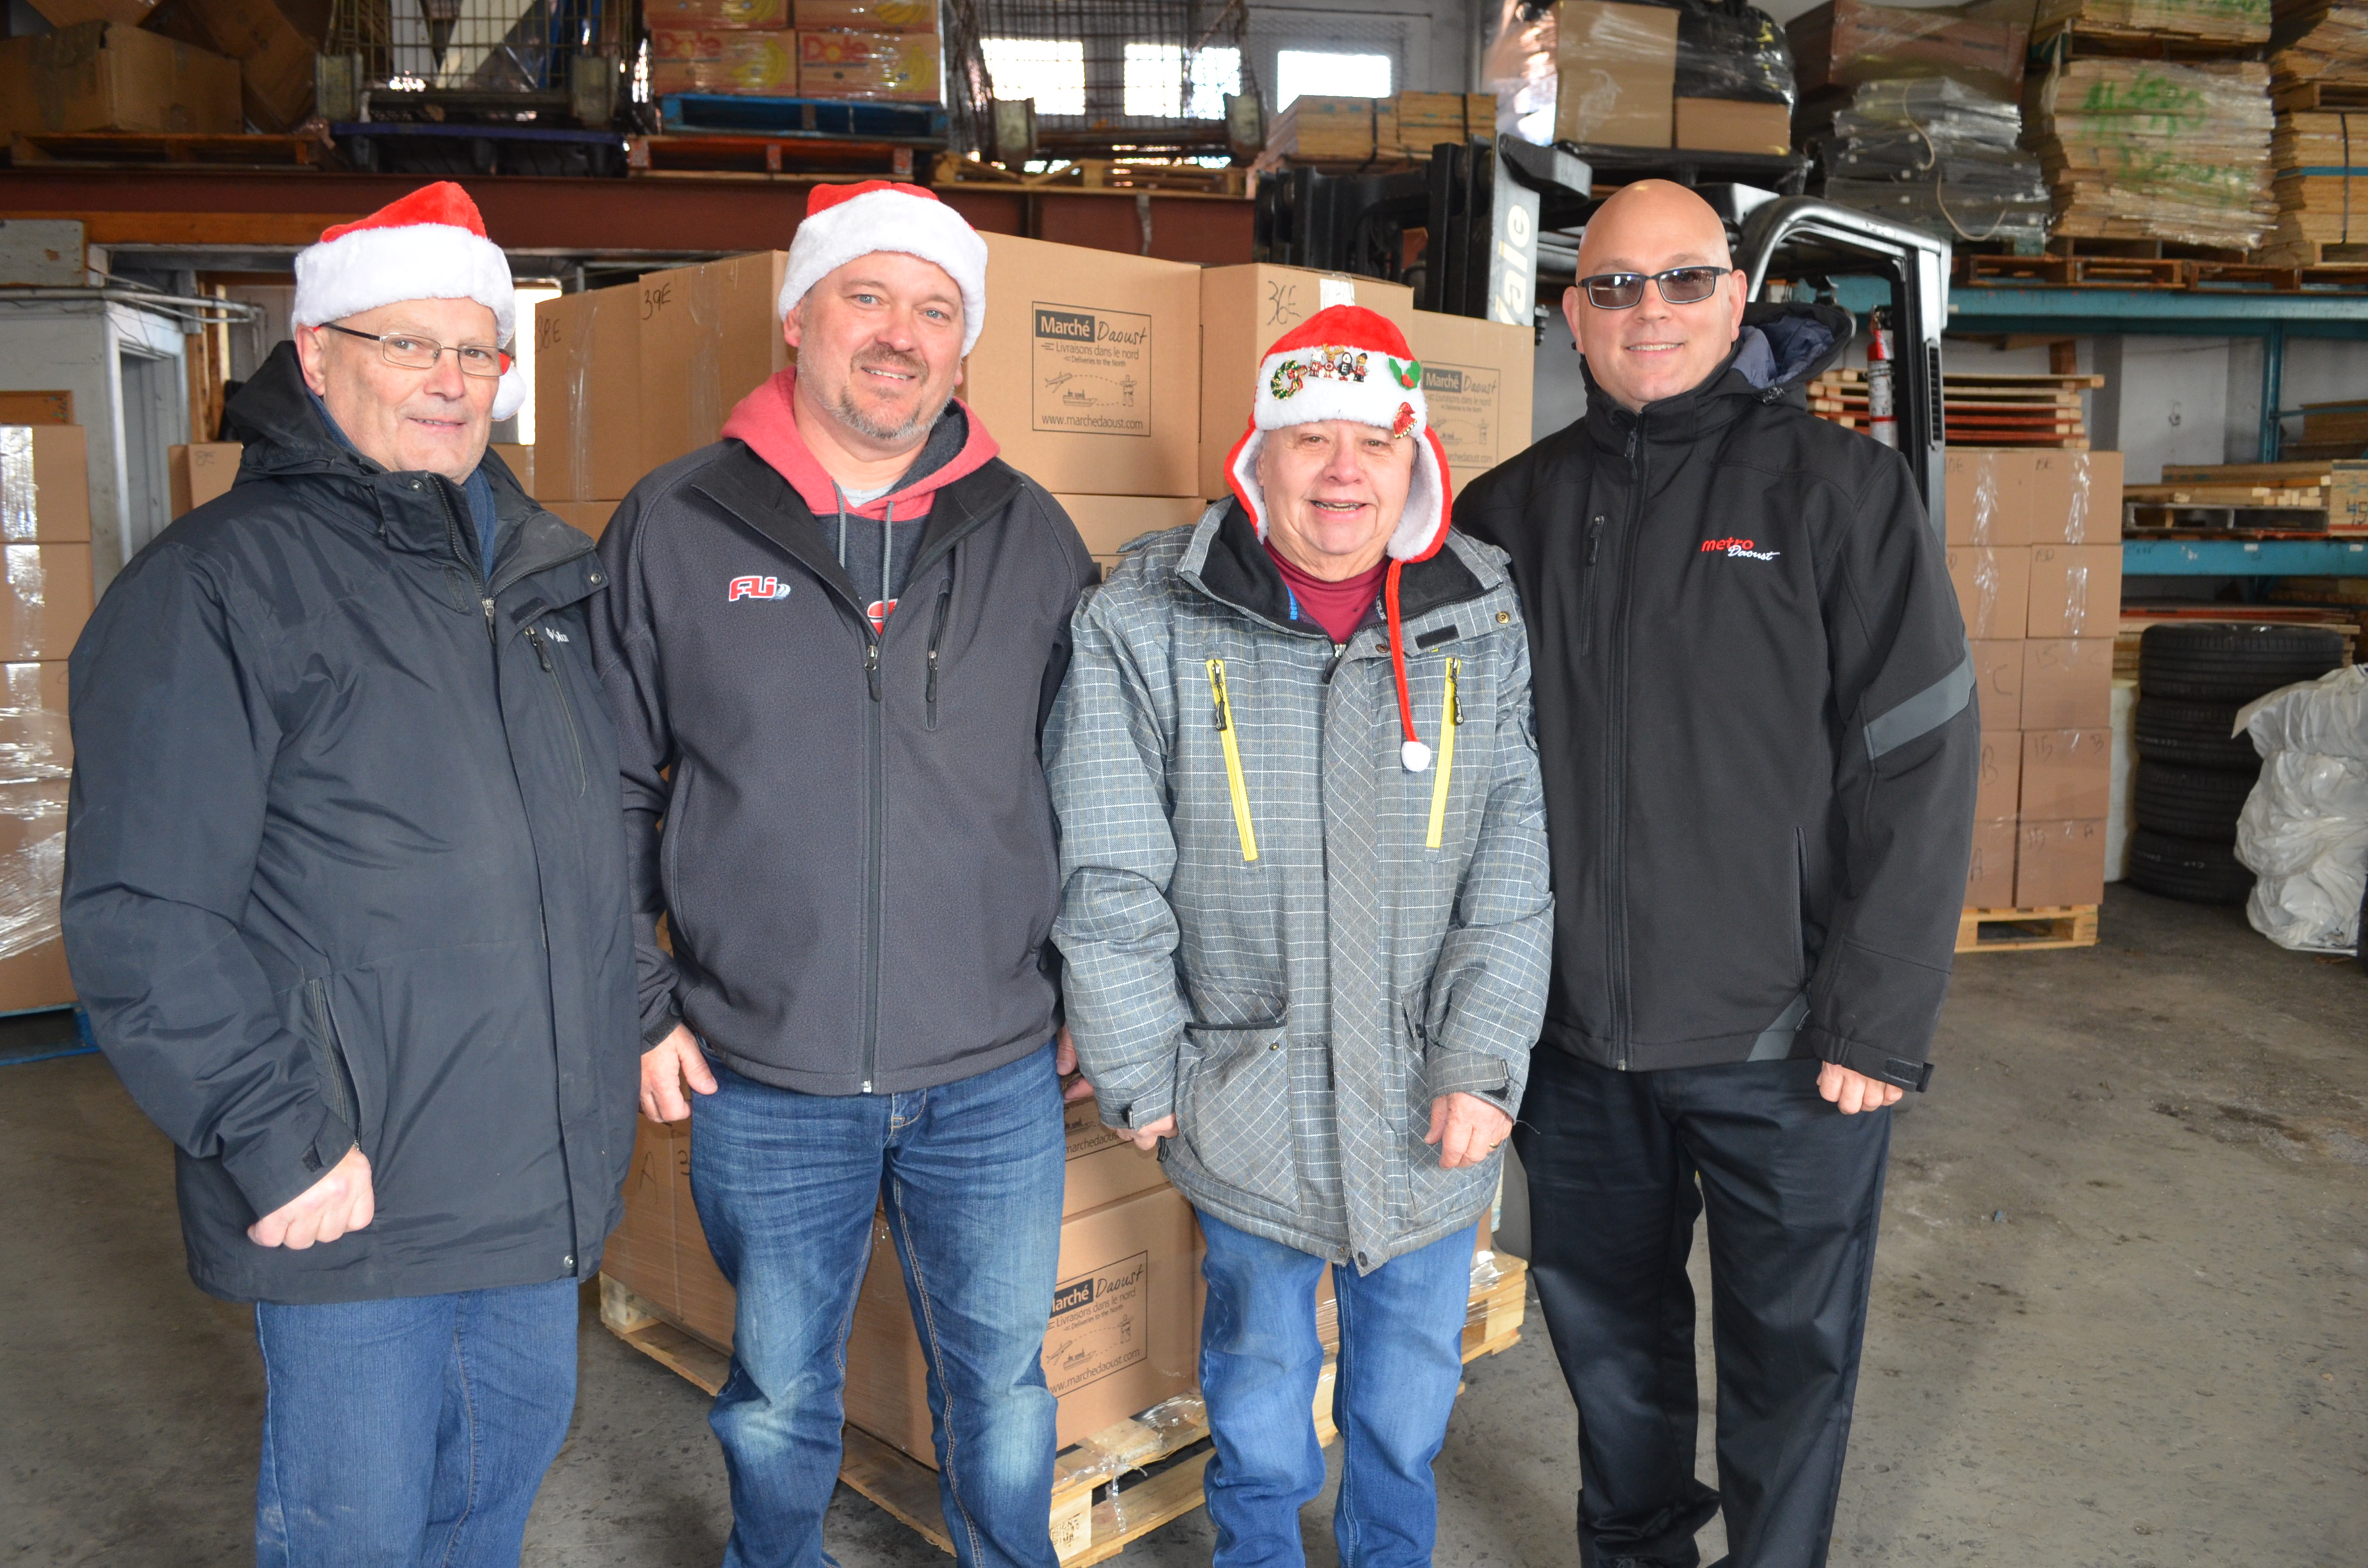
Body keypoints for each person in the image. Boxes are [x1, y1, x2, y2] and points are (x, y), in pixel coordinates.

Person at [62, 181, 639, 1567]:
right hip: (354, 1176)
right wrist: (273, 1132)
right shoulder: (218, 586)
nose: (449, 383)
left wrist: (646, 1005)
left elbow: (576, 846)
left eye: (477, 351)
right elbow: (142, 906)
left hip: (532, 1171)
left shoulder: (536, 583)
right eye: (407, 345)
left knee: (492, 1498)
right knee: (359, 1533)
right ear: (315, 356)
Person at [1457, 181, 1979, 1567]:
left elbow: (1919, 756)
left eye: (1682, 282)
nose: (1649, 313)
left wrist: (1877, 1018)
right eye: (1616, 287)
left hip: (1786, 1041)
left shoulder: (1839, 493)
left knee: (1789, 1358)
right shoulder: (1504, 512)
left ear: (1735, 298)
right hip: (1573, 1048)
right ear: (1572, 315)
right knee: (1612, 1354)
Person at [591, 180, 1098, 1568]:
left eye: (936, 310)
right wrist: (644, 997)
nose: (899, 335)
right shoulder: (674, 523)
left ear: (963, 347)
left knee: (1000, 1389)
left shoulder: (1032, 535)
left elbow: (1099, 794)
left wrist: (1090, 993)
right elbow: (603, 784)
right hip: (766, 1070)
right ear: (799, 314)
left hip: (993, 1071)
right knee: (775, 1400)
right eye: (867, 297)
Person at [1048, 304, 1554, 1568]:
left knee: (1404, 1402)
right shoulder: (1144, 622)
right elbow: (1111, 864)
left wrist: (1483, 1062)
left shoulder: (1478, 625)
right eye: (1308, 440)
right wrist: (1142, 1067)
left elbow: (1511, 863)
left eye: (1373, 443)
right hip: (1244, 1088)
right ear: (1255, 461)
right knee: (1262, 1387)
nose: (1342, 472)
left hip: (1429, 1101)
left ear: (1414, 463)